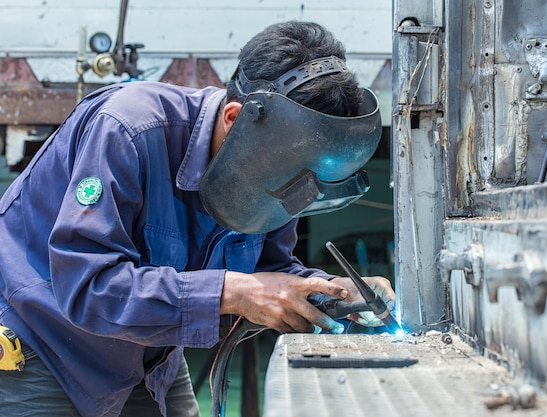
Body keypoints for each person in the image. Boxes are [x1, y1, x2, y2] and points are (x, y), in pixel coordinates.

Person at [0, 21, 395, 416]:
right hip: (43, 343)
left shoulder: (279, 162)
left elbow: (270, 270)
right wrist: (236, 292)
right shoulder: (128, 129)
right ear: (234, 118)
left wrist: (329, 290)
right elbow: (87, 286)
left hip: (150, 355)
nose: (290, 192)